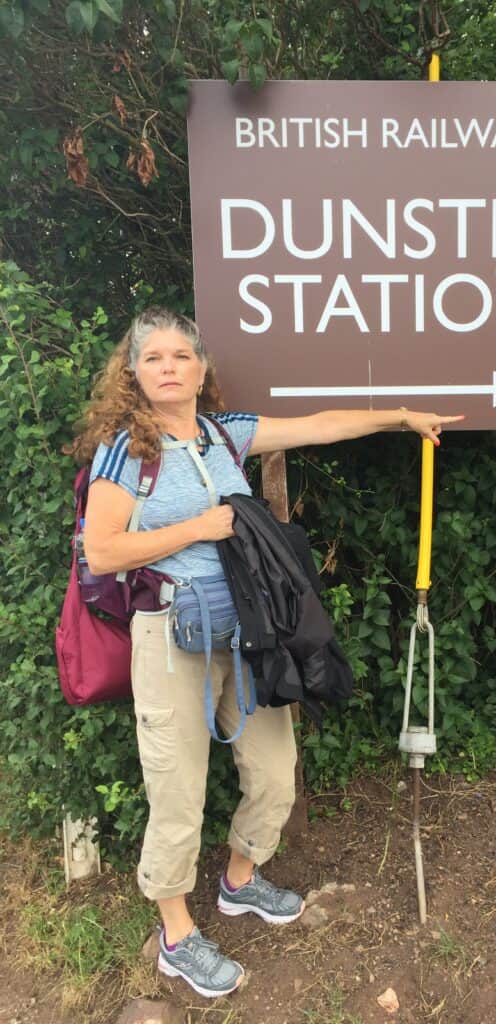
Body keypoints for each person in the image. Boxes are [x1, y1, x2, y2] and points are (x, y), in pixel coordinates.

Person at [70, 306, 462, 998]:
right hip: (170, 641)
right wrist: (200, 526)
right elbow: (101, 550)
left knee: (276, 771)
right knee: (177, 791)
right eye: (154, 357)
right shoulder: (127, 450)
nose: (169, 368)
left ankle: (240, 883)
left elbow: (319, 426)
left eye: (181, 356)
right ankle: (177, 935)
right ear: (132, 372)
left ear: (201, 370)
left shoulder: (226, 434)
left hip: (247, 637)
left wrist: (402, 416)